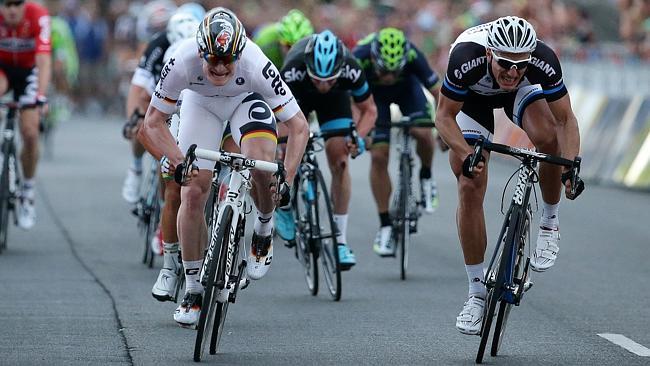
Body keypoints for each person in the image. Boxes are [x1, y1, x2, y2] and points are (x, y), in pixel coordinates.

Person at [138, 8, 309, 328]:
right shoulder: (181, 59)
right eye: (212, 59)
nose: (219, 67)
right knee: (191, 191)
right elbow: (152, 123)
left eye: (227, 60)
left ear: (239, 54)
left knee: (262, 167)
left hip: (247, 101)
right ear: (200, 51)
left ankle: (263, 226)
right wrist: (177, 162)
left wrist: (287, 176)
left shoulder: (255, 62)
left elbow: (299, 126)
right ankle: (192, 288)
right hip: (200, 104)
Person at [435, 16, 585, 335]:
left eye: (521, 64)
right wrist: (466, 154)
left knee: (549, 140)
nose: (513, 72)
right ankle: (476, 294)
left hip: (520, 96)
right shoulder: (465, 57)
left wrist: (571, 165)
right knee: (470, 185)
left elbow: (566, 121)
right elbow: (444, 117)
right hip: (472, 101)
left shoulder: (542, 60)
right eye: (505, 63)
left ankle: (549, 221)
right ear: (490, 53)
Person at [122, 7, 202, 302]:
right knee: (173, 186)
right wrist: (134, 118)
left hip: (209, 106)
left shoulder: (220, 55)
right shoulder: (168, 54)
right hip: (174, 106)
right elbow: (145, 102)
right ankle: (169, 265)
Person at [279, 29, 377, 269]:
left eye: (329, 79)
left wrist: (359, 137)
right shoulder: (293, 67)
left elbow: (369, 110)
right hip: (297, 98)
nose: (323, 85)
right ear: (308, 67)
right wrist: (283, 146)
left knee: (340, 159)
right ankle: (284, 206)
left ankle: (340, 241)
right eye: (318, 78)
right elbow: (277, 115)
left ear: (340, 69)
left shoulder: (351, 68)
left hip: (335, 103)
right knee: (285, 150)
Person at [353, 27, 441, 256]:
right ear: (374, 58)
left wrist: (443, 128)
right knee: (379, 156)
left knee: (423, 131)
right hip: (374, 100)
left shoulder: (412, 54)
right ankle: (385, 225)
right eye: (384, 71)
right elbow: (350, 100)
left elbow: (438, 92)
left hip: (408, 92)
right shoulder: (359, 56)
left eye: (394, 71)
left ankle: (426, 175)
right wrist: (361, 132)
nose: (389, 77)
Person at [0, 0, 51, 229]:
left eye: (16, 3)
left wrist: (40, 95)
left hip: (29, 71)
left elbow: (43, 58)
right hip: (3, 70)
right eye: (5, 4)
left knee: (30, 133)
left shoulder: (38, 15)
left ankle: (28, 191)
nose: (11, 10)